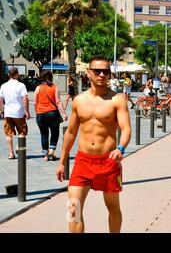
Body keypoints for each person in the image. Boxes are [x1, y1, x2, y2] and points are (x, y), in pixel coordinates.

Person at [56, 56, 131, 233]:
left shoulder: (117, 100)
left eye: (106, 71)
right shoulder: (79, 101)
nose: (101, 75)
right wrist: (61, 161)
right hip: (83, 161)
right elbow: (71, 132)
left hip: (109, 161)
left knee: (113, 208)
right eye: (97, 71)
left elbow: (126, 128)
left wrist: (121, 148)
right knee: (73, 209)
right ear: (89, 73)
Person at [35, 71, 68, 161]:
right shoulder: (54, 87)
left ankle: (45, 155)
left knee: (44, 134)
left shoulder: (38, 88)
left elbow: (35, 102)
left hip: (40, 114)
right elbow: (58, 102)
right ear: (51, 77)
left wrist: (37, 112)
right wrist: (64, 113)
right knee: (55, 133)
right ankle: (52, 150)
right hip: (53, 113)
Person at [0, 67, 30, 160]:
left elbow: (1, 100)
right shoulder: (21, 85)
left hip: (8, 113)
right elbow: (25, 99)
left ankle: (11, 154)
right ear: (17, 74)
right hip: (19, 113)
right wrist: (27, 111)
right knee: (22, 131)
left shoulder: (3, 86)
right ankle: (18, 147)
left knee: (8, 133)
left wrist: (1, 110)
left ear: (9, 75)